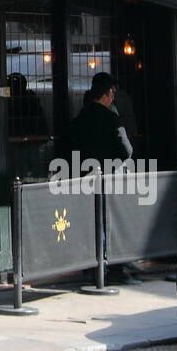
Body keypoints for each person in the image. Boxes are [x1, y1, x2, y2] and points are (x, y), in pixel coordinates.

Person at [69, 73, 136, 285]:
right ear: (108, 94)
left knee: (90, 222)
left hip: (84, 178)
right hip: (109, 179)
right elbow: (126, 150)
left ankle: (91, 268)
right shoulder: (111, 118)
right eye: (112, 93)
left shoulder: (80, 119)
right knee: (109, 222)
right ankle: (112, 267)